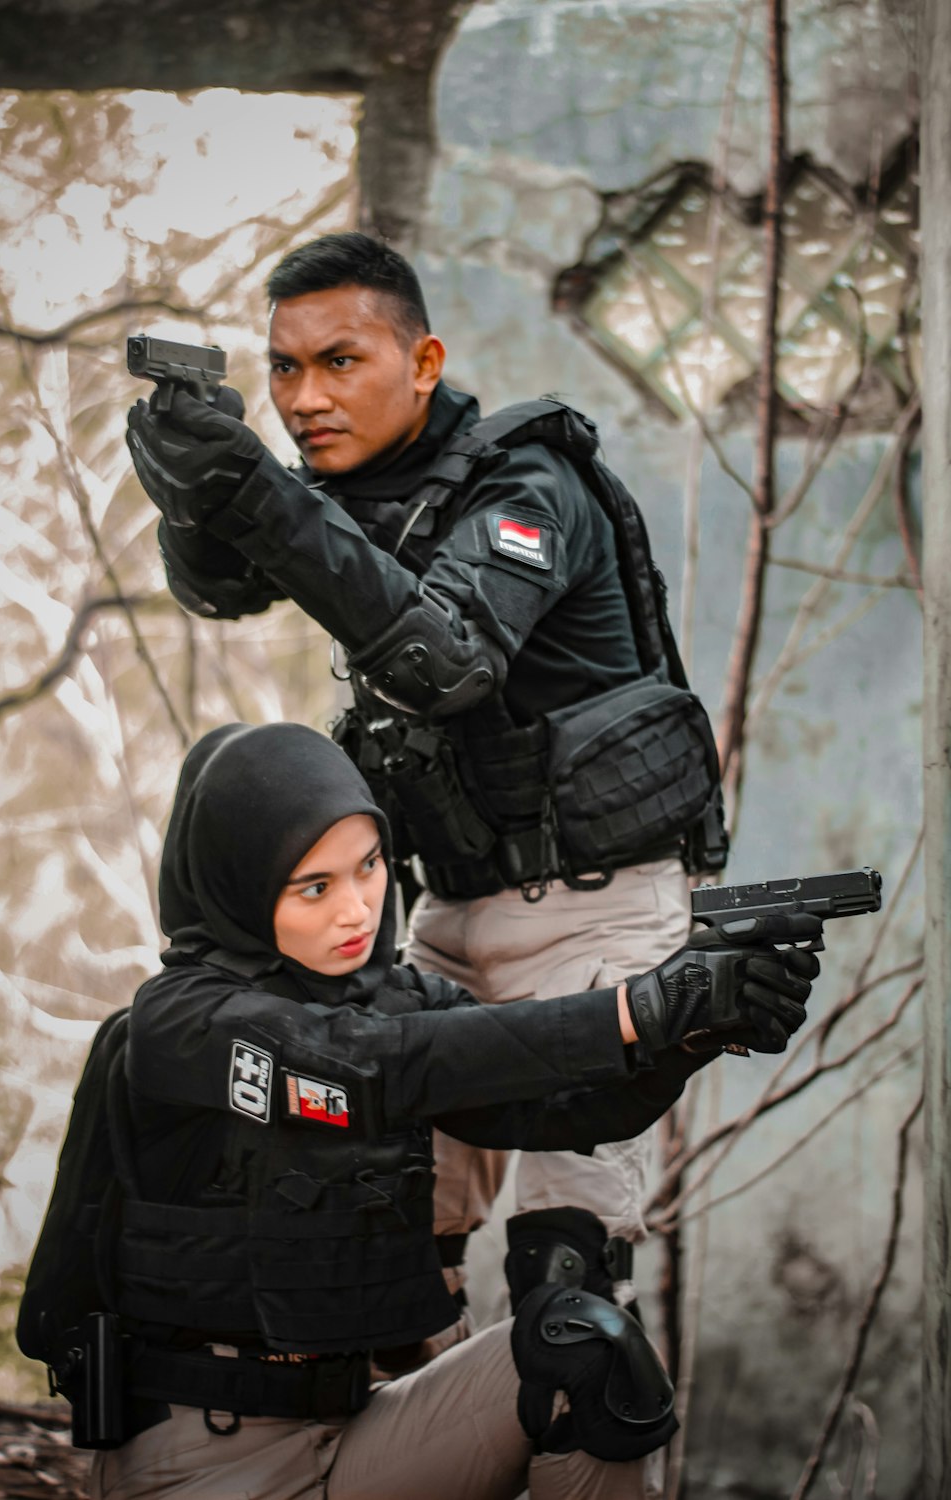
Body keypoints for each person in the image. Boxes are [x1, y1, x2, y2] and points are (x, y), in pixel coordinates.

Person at [125, 230, 725, 1489]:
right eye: (283, 369)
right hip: (439, 925)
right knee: (407, 1267)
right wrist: (190, 478)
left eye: (339, 361)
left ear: (424, 358)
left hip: (594, 918)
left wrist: (256, 487)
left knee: (566, 1295)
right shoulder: (341, 487)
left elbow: (444, 659)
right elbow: (222, 587)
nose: (303, 398)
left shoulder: (528, 486)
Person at [40, 721, 819, 1500]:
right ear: (240, 884)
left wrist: (697, 1030)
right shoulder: (180, 1023)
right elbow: (370, 1068)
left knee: (588, 1351)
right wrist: (637, 1008)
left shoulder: (395, 998)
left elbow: (564, 1109)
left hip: (364, 1433)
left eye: (370, 865)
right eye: (316, 887)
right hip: (201, 1461)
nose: (358, 909)